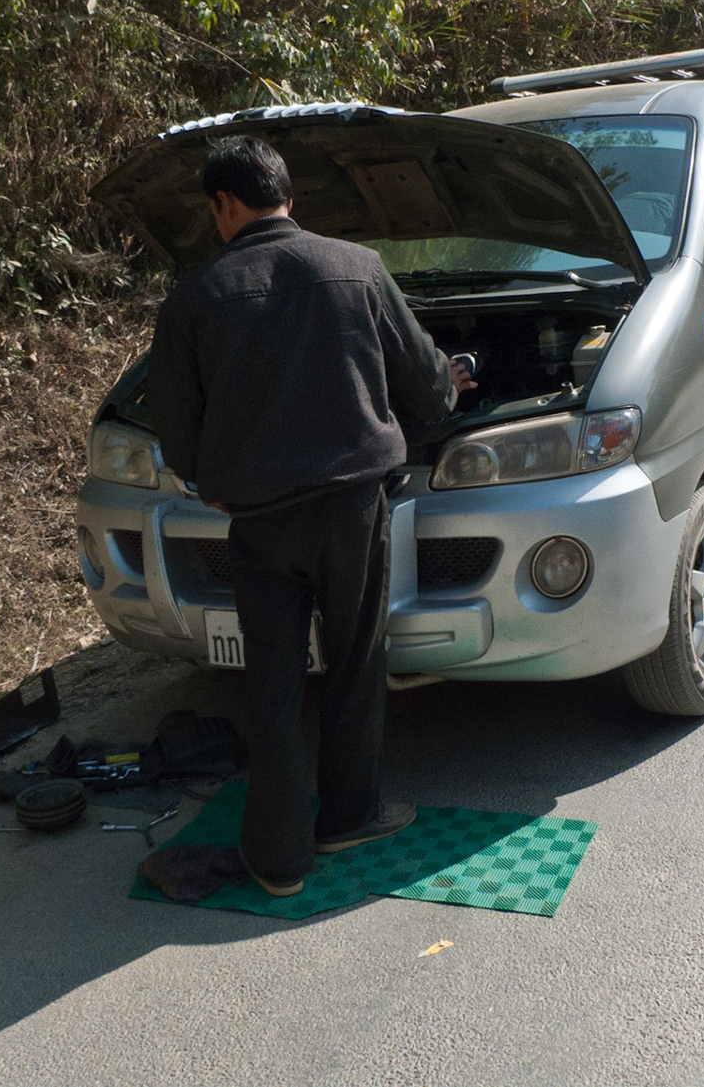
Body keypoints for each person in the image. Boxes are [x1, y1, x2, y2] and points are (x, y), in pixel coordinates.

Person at [146, 134, 475, 897]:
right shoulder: (357, 267)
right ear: (288, 194)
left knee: (274, 681)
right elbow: (426, 386)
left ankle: (279, 858)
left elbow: (175, 429)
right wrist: (450, 388)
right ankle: (349, 814)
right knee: (357, 661)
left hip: (260, 521)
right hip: (355, 506)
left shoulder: (195, 297)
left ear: (224, 203)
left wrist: (211, 482)